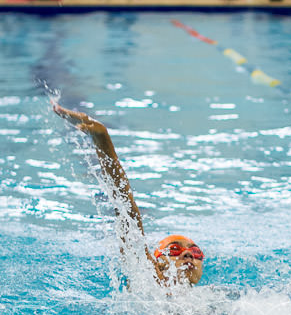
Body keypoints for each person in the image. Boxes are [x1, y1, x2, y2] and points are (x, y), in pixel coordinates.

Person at [53, 104, 205, 288]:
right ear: (158, 262)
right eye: (174, 249)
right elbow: (126, 210)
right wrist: (103, 140)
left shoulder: (212, 299)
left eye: (195, 252)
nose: (187, 255)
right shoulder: (149, 282)